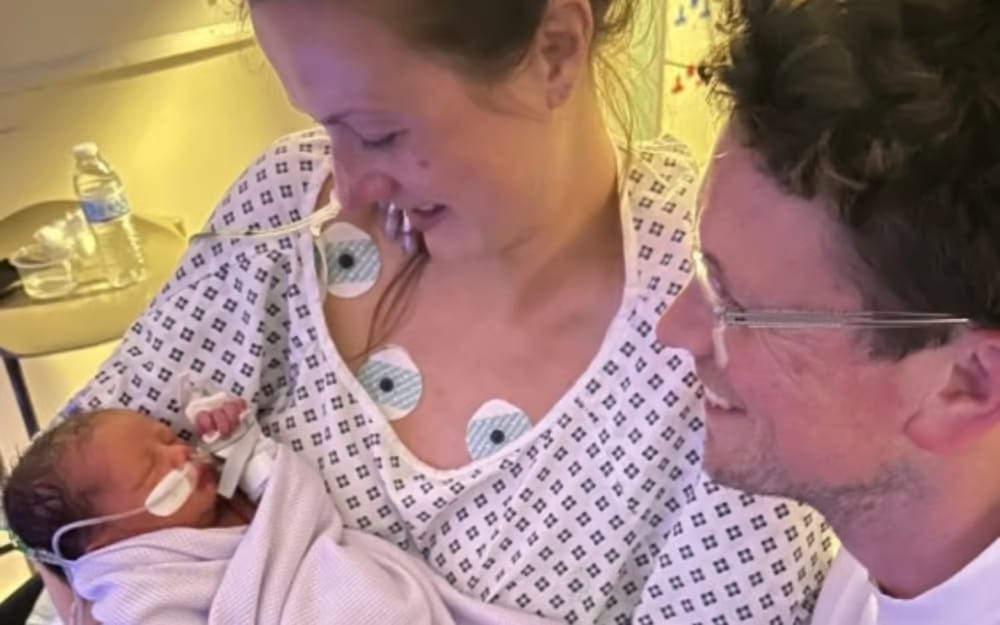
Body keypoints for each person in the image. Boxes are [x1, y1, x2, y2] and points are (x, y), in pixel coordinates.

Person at [40, 1, 833, 623]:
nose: (350, 184)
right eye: (324, 125)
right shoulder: (282, 213)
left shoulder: (722, 342)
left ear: (556, 49)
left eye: (379, 132)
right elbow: (57, 512)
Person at [658, 0, 1000, 623]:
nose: (673, 331)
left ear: (964, 384)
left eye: (736, 308)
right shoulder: (889, 560)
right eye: (704, 269)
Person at [2, 402, 558, 625]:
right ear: (101, 541)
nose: (181, 454)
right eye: (153, 469)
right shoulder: (135, 594)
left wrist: (241, 444)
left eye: (171, 438)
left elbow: (293, 506)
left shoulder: (222, 500)